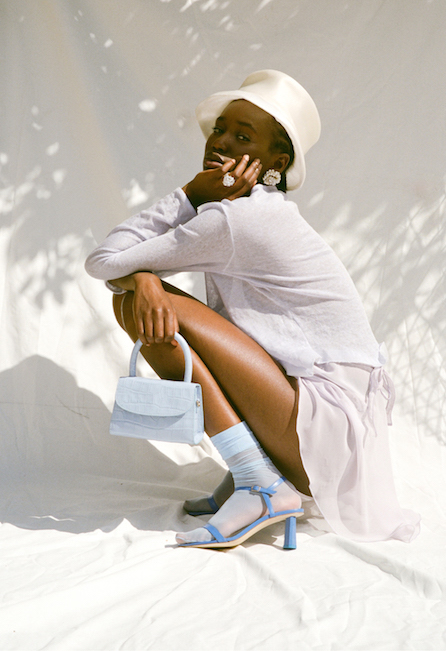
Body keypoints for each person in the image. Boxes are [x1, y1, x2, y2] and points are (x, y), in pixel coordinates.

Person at [85, 70, 420, 549]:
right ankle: (258, 468)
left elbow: (104, 261)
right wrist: (143, 276)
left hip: (322, 432)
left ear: (275, 162)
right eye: (219, 129)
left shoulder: (237, 219)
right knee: (141, 295)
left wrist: (189, 197)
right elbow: (117, 266)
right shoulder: (254, 210)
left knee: (138, 305)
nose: (220, 141)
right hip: (333, 440)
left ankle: (260, 483)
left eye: (242, 136)